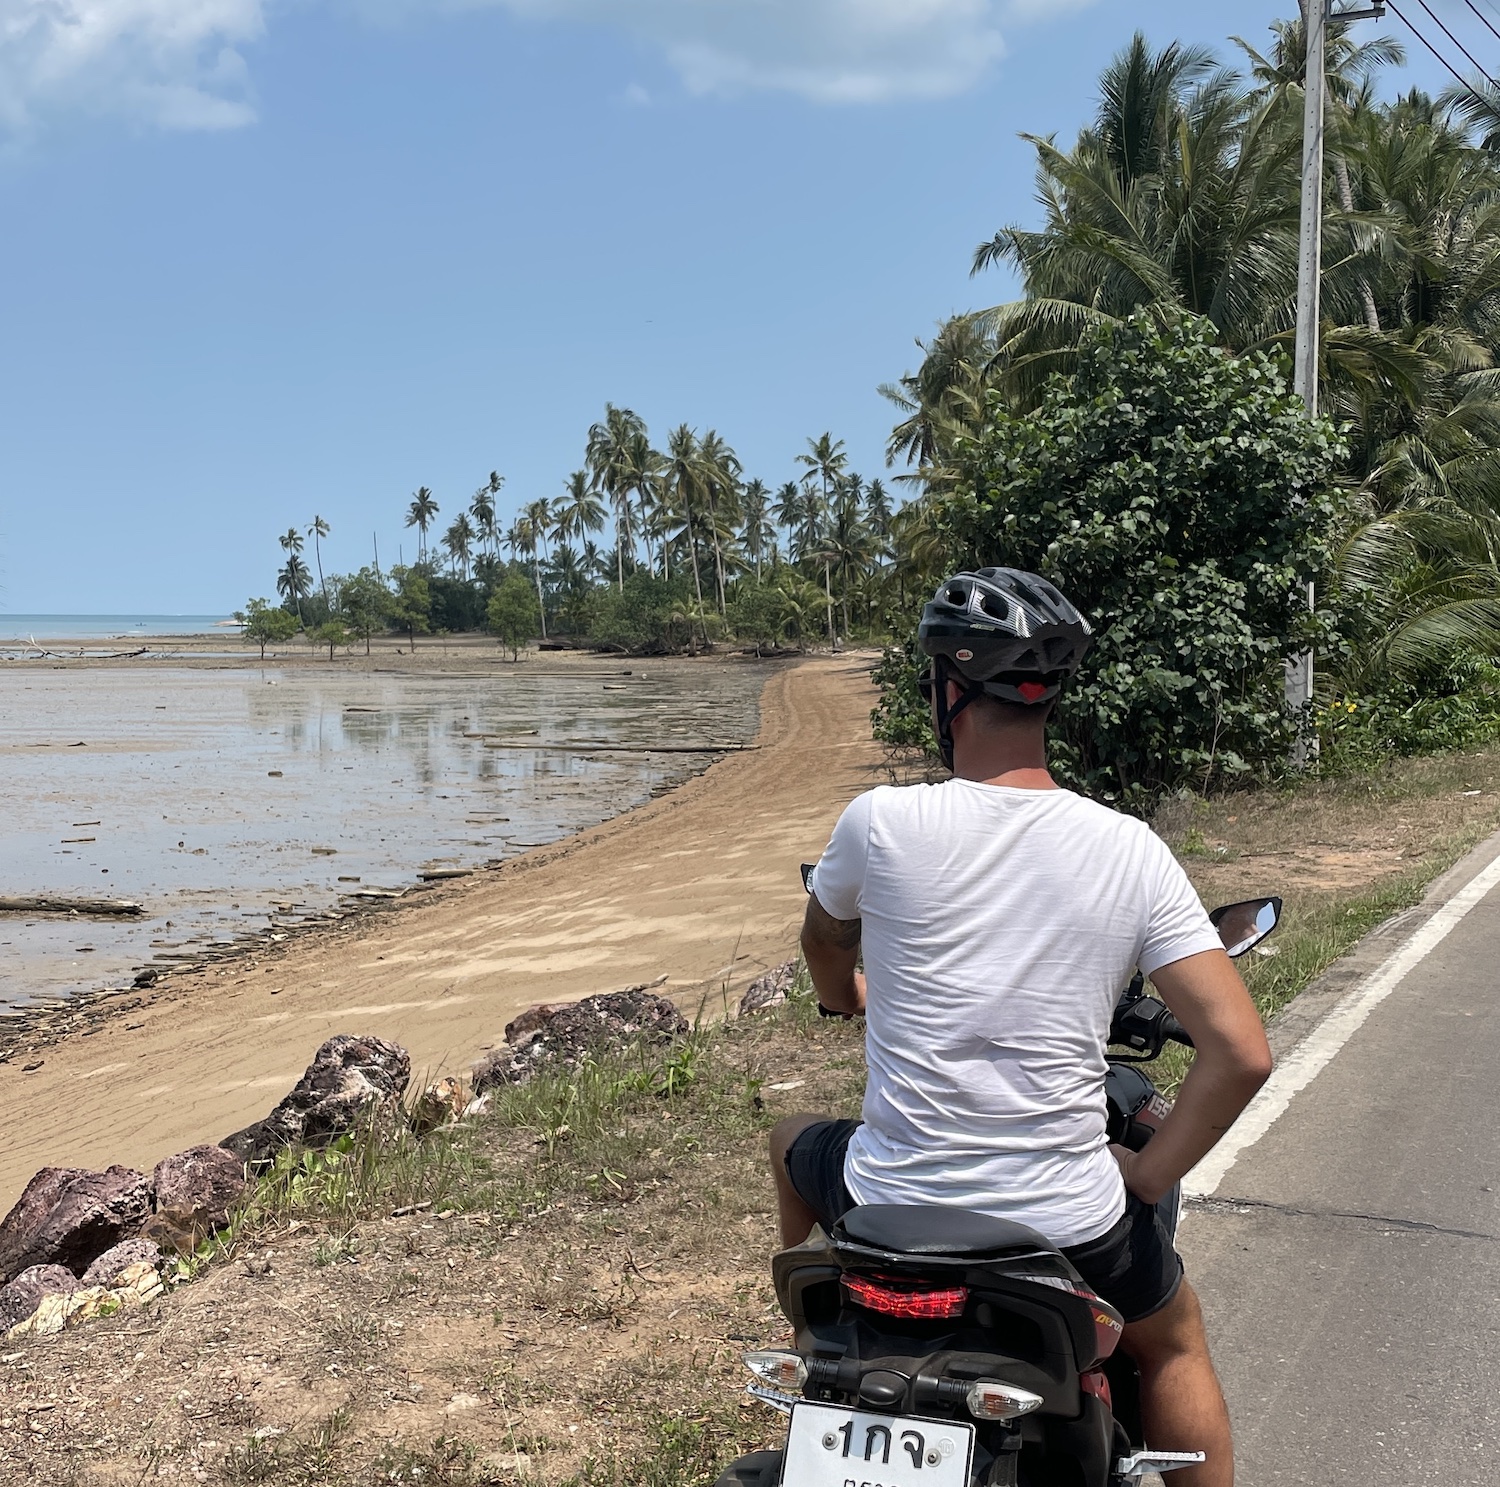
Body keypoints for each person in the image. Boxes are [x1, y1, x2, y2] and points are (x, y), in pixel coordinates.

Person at [771, 567, 1272, 1487]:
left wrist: (849, 994)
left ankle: (836, 1330)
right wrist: (1147, 1171)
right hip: (1066, 1221)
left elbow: (823, 941)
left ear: (947, 688)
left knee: (789, 1139)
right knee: (1173, 1346)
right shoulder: (1129, 849)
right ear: (1047, 695)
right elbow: (1240, 1050)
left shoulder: (877, 823)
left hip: (886, 1206)